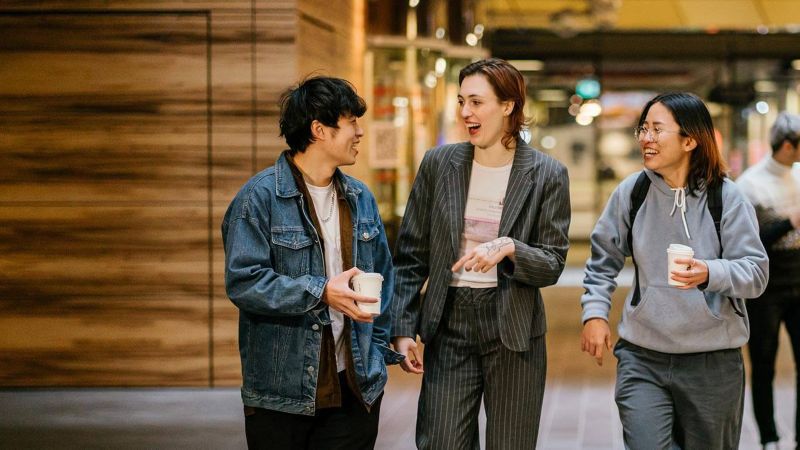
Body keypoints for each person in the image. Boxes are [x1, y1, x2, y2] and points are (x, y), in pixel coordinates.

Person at [391, 58, 571, 449]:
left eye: (476, 102)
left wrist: (510, 248)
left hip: (512, 325)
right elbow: (410, 253)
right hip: (449, 319)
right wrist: (403, 326)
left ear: (508, 106)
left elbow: (553, 263)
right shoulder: (439, 164)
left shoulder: (546, 173)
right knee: (440, 441)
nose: (465, 112)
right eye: (461, 101)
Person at [222, 76, 402, 450]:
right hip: (282, 395)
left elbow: (384, 277)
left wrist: (381, 351)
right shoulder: (258, 199)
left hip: (356, 386)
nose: (360, 131)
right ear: (319, 129)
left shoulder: (360, 197)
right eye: (352, 121)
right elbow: (244, 281)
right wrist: (321, 292)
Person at [580, 92, 769, 449]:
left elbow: (756, 273)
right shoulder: (631, 193)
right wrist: (594, 314)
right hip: (643, 356)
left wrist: (709, 273)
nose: (646, 138)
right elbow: (602, 261)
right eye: (643, 129)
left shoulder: (727, 198)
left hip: (712, 363)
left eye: (657, 129)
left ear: (689, 140)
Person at [737, 111, 800, 450]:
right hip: (765, 287)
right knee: (763, 363)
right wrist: (791, 220)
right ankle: (769, 438)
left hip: (799, 279)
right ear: (788, 145)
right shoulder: (751, 183)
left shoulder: (799, 174)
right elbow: (750, 240)